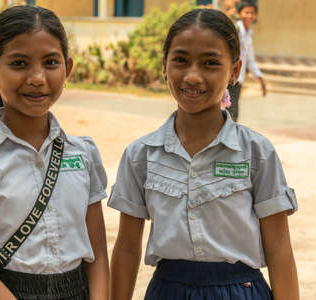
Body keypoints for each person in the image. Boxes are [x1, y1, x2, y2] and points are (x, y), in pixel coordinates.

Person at [109, 8, 299, 300]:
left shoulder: (257, 153)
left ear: (235, 70)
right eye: (181, 61)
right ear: (164, 65)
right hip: (168, 291)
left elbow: (279, 249)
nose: (193, 76)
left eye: (210, 63)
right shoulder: (141, 155)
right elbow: (126, 247)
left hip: (242, 291)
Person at [0, 5, 109, 300]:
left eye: (51, 62)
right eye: (19, 63)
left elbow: (98, 258)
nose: (37, 77)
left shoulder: (83, 154)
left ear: (68, 68)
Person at [228, 0, 266, 122]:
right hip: (228, 78)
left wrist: (260, 78)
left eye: (252, 13)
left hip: (238, 79)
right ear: (239, 14)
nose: (249, 15)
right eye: (246, 12)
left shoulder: (248, 34)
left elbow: (250, 59)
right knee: (230, 111)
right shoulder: (235, 30)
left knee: (233, 111)